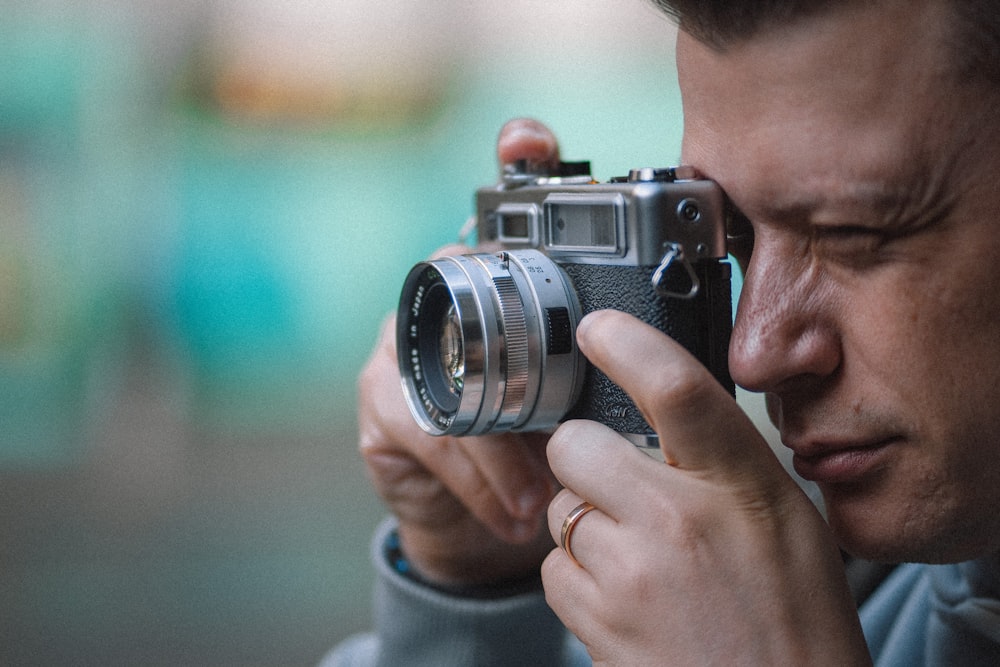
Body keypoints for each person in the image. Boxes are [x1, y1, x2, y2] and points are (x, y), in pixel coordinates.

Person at [324, 0, 1000, 664]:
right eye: (725, 236)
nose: (750, 352)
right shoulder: (809, 592)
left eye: (854, 235)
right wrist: (475, 592)